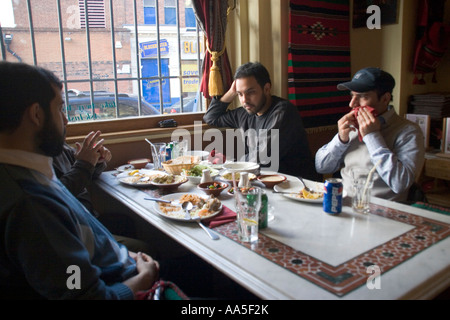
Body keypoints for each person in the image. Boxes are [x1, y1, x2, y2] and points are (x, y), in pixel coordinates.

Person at [0, 61, 159, 299]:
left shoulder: (31, 167)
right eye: (60, 108)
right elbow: (81, 292)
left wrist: (126, 254)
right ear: (36, 114)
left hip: (121, 265)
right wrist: (145, 278)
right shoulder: (31, 204)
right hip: (127, 284)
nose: (65, 120)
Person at [315, 67, 425, 202]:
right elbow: (321, 166)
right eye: (352, 96)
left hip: (383, 212)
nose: (352, 104)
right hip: (342, 204)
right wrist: (340, 140)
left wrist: (372, 136)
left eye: (362, 97)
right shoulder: (352, 124)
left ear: (385, 98)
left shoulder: (409, 131)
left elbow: (400, 184)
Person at [203, 62, 318, 180]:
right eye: (240, 94)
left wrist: (229, 162)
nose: (244, 100)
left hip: (299, 186)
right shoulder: (246, 112)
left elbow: (263, 157)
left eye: (250, 92)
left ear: (267, 89)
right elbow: (211, 117)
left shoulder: (283, 112)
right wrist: (232, 91)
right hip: (266, 183)